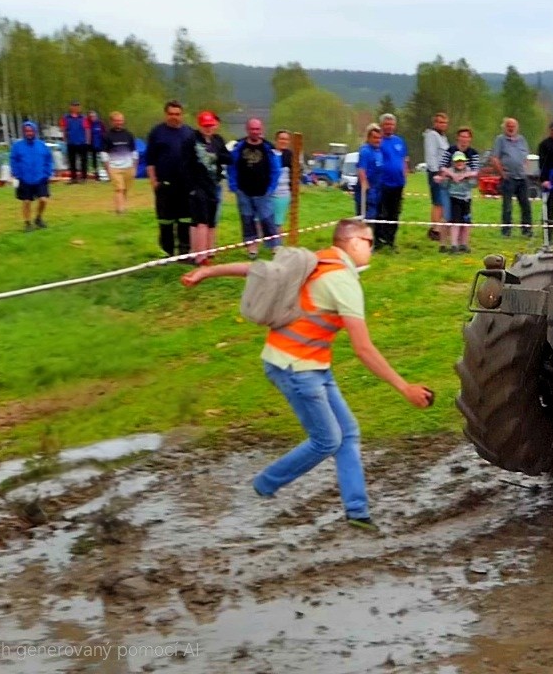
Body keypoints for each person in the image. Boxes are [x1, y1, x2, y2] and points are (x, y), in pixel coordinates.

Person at [179, 218, 434, 532]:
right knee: (327, 440)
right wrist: (404, 387)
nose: (372, 247)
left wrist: (208, 271)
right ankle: (264, 484)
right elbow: (364, 349)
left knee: (348, 433)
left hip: (309, 365)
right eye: (369, 242)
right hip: (295, 369)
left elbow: (260, 269)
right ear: (353, 242)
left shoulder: (318, 259)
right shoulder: (343, 282)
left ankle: (357, 512)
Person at [145, 100, 198, 257]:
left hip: (185, 185)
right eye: (171, 114)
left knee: (185, 220)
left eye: (177, 114)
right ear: (165, 115)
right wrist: (154, 182)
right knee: (165, 221)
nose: (174, 117)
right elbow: (150, 160)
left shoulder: (190, 133)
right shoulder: (156, 133)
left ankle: (184, 252)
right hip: (165, 185)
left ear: (182, 115)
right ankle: (167, 253)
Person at [229, 118, 283, 259]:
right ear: (247, 130)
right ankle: (252, 248)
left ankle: (274, 247)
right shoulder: (238, 147)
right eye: (252, 129)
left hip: (263, 191)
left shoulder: (269, 148)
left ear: (261, 130)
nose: (255, 132)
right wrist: (234, 186)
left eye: (257, 129)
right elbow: (231, 167)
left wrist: (271, 188)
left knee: (267, 220)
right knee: (247, 220)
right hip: (243, 191)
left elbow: (276, 170)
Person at [191, 111, 229, 265]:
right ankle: (199, 255)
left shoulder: (218, 140)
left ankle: (209, 250)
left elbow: (228, 158)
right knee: (201, 220)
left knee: (212, 219)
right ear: (199, 125)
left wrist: (218, 156)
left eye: (211, 125)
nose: (208, 128)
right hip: (198, 184)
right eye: (205, 126)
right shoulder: (192, 140)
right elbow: (185, 162)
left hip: (214, 184)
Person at [437, 126, 481, 251]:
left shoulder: (473, 153)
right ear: (458, 138)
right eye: (462, 136)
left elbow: (475, 172)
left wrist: (463, 176)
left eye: (466, 137)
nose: (464, 139)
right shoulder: (450, 150)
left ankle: (462, 244)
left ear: (470, 139)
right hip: (448, 189)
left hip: (464, 191)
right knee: (447, 216)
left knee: (464, 219)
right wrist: (453, 175)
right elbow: (442, 167)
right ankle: (443, 243)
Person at [490, 117, 531, 237]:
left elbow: (526, 156)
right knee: (507, 206)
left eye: (513, 126)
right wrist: (502, 173)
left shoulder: (522, 140)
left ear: (517, 127)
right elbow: (495, 158)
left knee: (526, 205)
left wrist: (525, 169)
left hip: (522, 178)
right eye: (508, 126)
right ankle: (506, 231)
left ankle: (527, 230)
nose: (511, 128)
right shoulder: (500, 140)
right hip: (508, 178)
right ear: (504, 127)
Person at [10, 120, 53, 231]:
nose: (29, 133)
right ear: (24, 132)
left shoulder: (41, 145)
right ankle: (27, 223)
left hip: (40, 177)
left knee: (43, 200)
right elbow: (13, 160)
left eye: (31, 131)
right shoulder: (17, 146)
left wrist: (47, 173)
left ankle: (38, 218)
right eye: (26, 131)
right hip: (25, 178)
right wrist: (17, 173)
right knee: (26, 201)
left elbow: (48, 159)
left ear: (35, 131)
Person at [375, 113, 409, 250]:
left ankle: (391, 240)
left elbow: (404, 160)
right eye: (387, 124)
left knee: (394, 213)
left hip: (398, 183)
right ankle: (379, 239)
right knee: (381, 212)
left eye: (392, 124)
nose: (389, 127)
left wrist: (405, 175)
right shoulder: (378, 141)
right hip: (383, 183)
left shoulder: (399, 141)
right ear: (382, 125)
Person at [102, 111, 137, 215]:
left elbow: (134, 152)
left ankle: (122, 207)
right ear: (112, 122)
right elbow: (104, 153)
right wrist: (107, 168)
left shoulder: (129, 135)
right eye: (116, 121)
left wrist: (134, 166)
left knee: (125, 189)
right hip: (114, 167)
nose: (119, 123)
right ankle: (120, 211)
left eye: (121, 120)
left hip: (128, 166)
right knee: (119, 189)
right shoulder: (107, 136)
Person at [423, 113, 450, 243]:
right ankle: (435, 229)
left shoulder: (443, 137)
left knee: (443, 202)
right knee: (438, 202)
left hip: (444, 173)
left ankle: (440, 227)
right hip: (436, 173)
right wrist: (436, 172)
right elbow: (431, 155)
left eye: (444, 123)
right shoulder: (431, 135)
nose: (442, 125)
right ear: (435, 123)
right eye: (439, 122)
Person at [444, 151, 477, 253]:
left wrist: (468, 178)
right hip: (454, 199)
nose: (459, 163)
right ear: (453, 162)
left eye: (461, 161)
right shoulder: (450, 172)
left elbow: (473, 184)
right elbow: (444, 185)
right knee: (455, 222)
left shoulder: (469, 171)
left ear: (465, 162)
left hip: (466, 200)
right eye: (457, 161)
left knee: (466, 223)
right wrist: (444, 179)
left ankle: (464, 244)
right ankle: (454, 244)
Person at [358, 124, 385, 227]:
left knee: (375, 217)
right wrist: (366, 188)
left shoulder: (378, 151)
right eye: (374, 138)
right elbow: (361, 170)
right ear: (369, 138)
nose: (377, 140)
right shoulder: (365, 151)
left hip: (378, 188)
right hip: (369, 190)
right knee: (367, 218)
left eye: (379, 138)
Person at [61, 101, 89, 184]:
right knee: (72, 161)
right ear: (70, 107)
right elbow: (64, 129)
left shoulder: (83, 118)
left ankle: (84, 178)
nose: (76, 108)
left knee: (83, 161)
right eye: (74, 106)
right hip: (71, 142)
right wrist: (64, 139)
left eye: (77, 106)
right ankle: (73, 178)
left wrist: (87, 141)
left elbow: (87, 129)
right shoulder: (66, 118)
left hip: (82, 142)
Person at [273, 130, 293, 230]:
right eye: (281, 139)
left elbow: (294, 175)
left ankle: (276, 244)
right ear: (276, 140)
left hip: (282, 193)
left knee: (278, 222)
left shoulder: (290, 156)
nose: (283, 141)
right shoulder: (269, 154)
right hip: (267, 193)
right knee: (261, 220)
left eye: (286, 139)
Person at [87, 110, 106, 178]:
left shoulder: (100, 123)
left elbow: (104, 133)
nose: (92, 117)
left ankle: (106, 172)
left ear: (96, 116)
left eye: (93, 116)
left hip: (100, 144)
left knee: (103, 158)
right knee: (93, 159)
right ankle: (96, 173)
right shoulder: (89, 124)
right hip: (92, 145)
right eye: (91, 116)